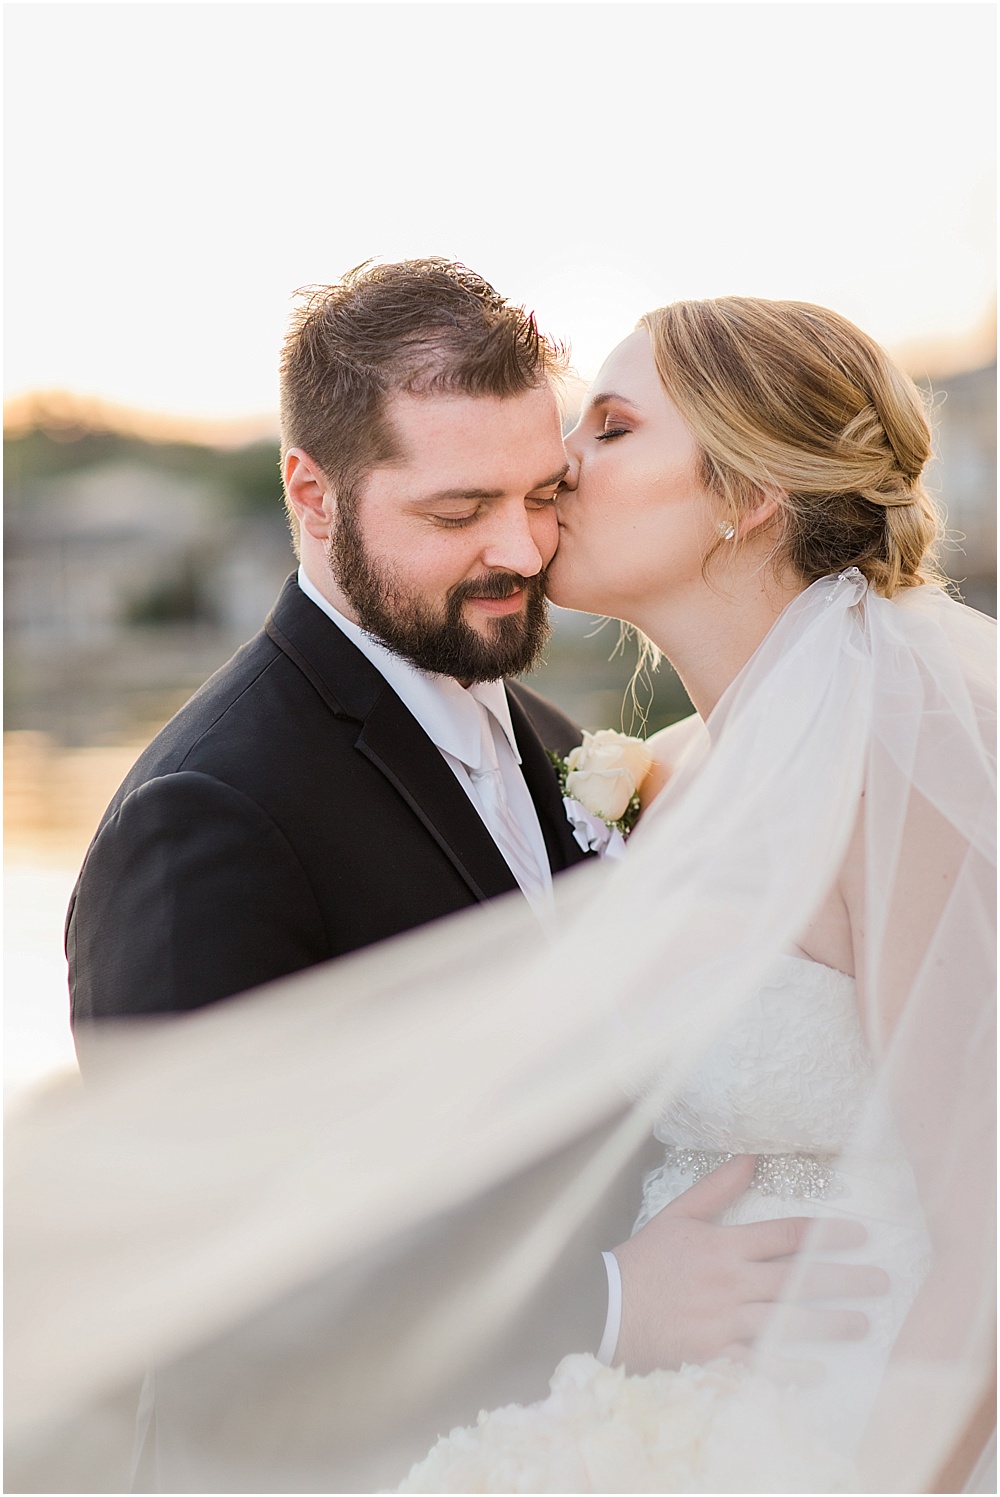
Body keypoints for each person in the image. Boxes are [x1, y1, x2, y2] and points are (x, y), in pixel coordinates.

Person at [8, 294, 991, 1494]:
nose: (526, 543)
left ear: (745, 498)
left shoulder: (589, 752)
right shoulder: (208, 811)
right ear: (312, 497)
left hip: (812, 1406)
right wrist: (613, 1306)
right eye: (460, 512)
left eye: (549, 482)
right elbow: (194, 1286)